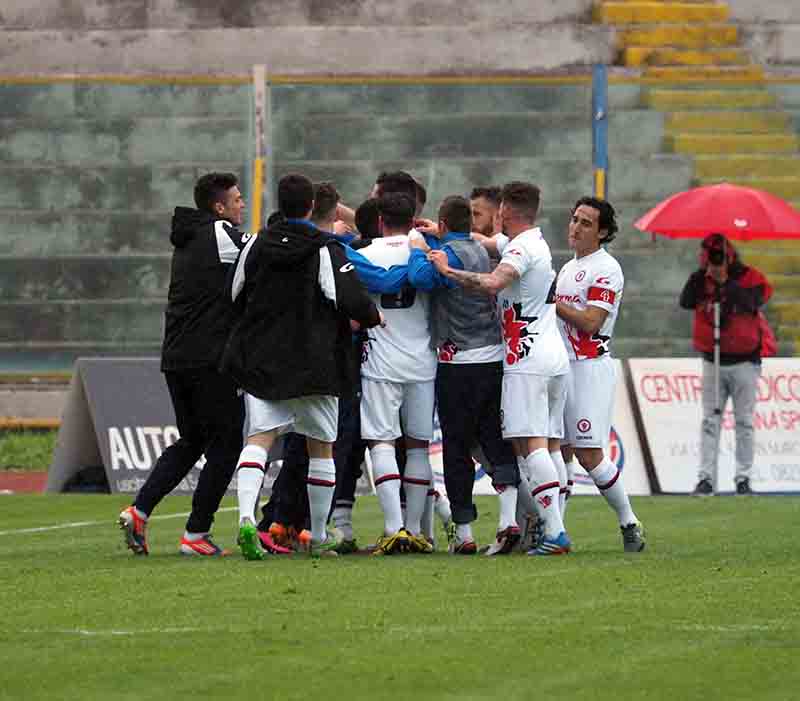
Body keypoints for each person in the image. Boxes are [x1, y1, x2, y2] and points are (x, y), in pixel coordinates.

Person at [221, 173, 383, 560]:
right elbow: (351, 301)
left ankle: (246, 519)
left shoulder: (256, 245)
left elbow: (234, 293)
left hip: (263, 361)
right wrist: (373, 317)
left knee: (258, 439)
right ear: (310, 207)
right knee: (321, 448)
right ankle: (319, 533)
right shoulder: (325, 249)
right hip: (316, 362)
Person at [430, 181, 571, 556]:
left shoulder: (521, 249)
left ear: (505, 210)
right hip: (552, 355)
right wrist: (439, 229)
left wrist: (447, 270)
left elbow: (493, 282)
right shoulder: (530, 242)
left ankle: (554, 531)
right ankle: (546, 525)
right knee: (537, 445)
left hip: (528, 358)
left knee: (531, 444)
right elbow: (485, 243)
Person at [118, 172, 249, 557]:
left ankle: (139, 511)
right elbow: (263, 252)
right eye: (238, 199)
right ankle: (196, 534)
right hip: (208, 358)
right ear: (219, 206)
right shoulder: (221, 232)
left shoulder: (190, 237)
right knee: (227, 445)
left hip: (177, 358)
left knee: (193, 440)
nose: (243, 204)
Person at [407, 195, 518, 555]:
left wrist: (417, 246)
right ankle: (507, 520)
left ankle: (465, 532)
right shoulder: (478, 250)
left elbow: (419, 277)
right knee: (495, 439)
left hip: (458, 362)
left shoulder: (446, 256)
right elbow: (453, 248)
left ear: (441, 224)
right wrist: (436, 237)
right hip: (492, 358)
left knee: (456, 448)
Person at [555, 197, 645, 552]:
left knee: (589, 455)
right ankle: (554, 530)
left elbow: (592, 323)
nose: (575, 227)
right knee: (557, 450)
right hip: (560, 368)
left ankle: (629, 521)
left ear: (603, 232)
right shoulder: (567, 268)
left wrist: (551, 300)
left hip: (589, 368)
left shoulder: (606, 268)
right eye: (574, 219)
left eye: (586, 223)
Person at [358, 191, 439, 555]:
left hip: (380, 363)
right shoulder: (427, 254)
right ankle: (415, 529)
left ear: (379, 221)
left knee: (382, 442)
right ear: (414, 218)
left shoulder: (363, 256)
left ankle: (393, 529)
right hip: (423, 362)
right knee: (419, 446)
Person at [679, 233, 773, 496]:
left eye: (718, 255)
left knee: (744, 421)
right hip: (713, 361)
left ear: (730, 256)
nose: (714, 261)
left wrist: (726, 283)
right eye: (710, 256)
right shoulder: (700, 280)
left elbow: (752, 302)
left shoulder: (750, 278)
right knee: (710, 420)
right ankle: (706, 478)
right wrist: (704, 275)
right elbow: (685, 301)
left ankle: (743, 478)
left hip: (745, 361)